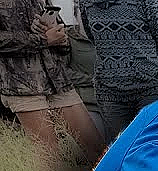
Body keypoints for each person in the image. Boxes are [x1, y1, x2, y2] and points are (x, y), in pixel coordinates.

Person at [0, 0, 104, 160]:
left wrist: (61, 38)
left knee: (98, 150)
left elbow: (61, 34)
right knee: (50, 158)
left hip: (58, 80)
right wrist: (42, 39)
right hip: (23, 85)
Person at [77, 0, 158, 141]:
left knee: (151, 145)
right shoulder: (86, 3)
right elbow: (94, 39)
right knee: (119, 149)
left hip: (150, 89)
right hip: (109, 92)